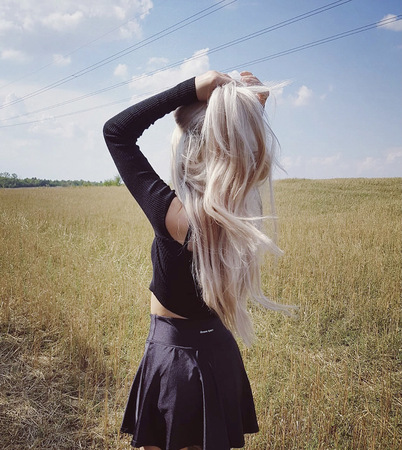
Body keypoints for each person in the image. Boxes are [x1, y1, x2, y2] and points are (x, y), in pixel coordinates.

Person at [103, 70, 290, 450]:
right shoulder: (240, 213)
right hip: (220, 354)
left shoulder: (176, 217)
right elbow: (240, 157)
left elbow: (116, 131)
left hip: (173, 359)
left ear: (189, 150)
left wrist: (189, 89)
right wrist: (246, 113)